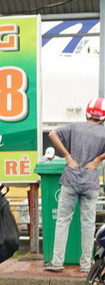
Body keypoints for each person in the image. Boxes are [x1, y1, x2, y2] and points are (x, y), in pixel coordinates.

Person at [44, 97, 105, 273]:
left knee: (63, 221)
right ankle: (86, 265)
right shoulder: (103, 133)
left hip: (71, 180)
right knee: (88, 224)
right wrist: (98, 159)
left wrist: (67, 156)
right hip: (91, 182)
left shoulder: (74, 127)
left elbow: (52, 134)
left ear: (87, 113)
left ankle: (57, 262)